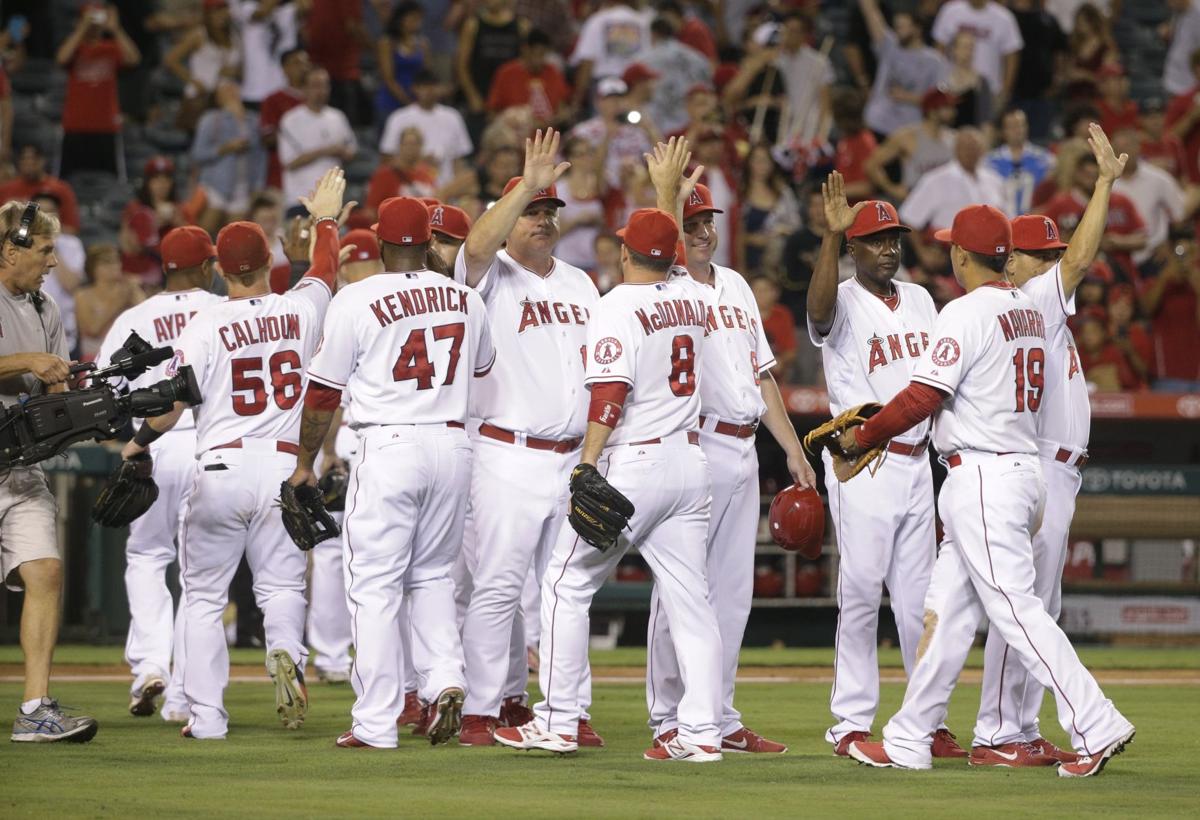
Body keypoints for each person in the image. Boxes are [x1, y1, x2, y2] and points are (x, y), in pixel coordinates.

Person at [842, 202, 1136, 777]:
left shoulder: (965, 312)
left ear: (959, 254)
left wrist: (866, 435)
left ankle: (1096, 723)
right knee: (946, 611)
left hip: (985, 475)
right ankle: (908, 737)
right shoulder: (1025, 308)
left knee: (1017, 612)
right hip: (1018, 473)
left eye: (952, 245)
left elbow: (923, 397)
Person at [120, 168, 346, 740]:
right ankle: (285, 650)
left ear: (220, 270)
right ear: (269, 258)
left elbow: (171, 406)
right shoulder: (300, 310)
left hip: (220, 464)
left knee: (200, 598)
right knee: (282, 589)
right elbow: (324, 269)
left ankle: (207, 717)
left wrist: (139, 442)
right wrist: (326, 220)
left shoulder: (203, 324)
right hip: (283, 465)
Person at [493, 209, 715, 765]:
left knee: (565, 584)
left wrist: (586, 464)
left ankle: (559, 721)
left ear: (625, 253)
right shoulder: (693, 299)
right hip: (690, 461)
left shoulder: (617, 304)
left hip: (634, 461)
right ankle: (704, 732)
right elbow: (678, 271)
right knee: (692, 603)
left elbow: (611, 391)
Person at [288, 197, 493, 748]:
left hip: (389, 442)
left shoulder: (357, 297)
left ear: (379, 243)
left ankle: (376, 722)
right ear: (428, 242)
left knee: (375, 585)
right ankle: (445, 678)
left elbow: (324, 393)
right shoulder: (466, 298)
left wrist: (305, 461)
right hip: (452, 445)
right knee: (431, 577)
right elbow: (483, 367)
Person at [643, 140, 814, 757]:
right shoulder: (666, 283)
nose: (702, 233)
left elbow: (763, 375)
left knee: (733, 594)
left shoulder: (738, 285)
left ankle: (718, 712)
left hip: (744, 451)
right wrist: (666, 200)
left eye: (707, 221)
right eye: (689, 225)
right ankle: (669, 715)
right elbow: (660, 260)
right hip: (695, 445)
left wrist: (792, 450)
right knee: (682, 590)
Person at [969, 125, 1127, 766]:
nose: (1059, 260)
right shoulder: (1033, 295)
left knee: (1038, 605)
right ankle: (1000, 730)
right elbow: (1084, 260)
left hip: (1053, 471)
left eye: (1054, 252)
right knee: (1025, 605)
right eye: (1047, 253)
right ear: (1015, 261)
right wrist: (1104, 184)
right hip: (1036, 468)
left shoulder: (1039, 305)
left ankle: (1017, 725)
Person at [454, 130, 602, 747]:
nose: (542, 221)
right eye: (532, 212)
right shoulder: (488, 276)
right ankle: (484, 708)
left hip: (571, 458)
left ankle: (565, 710)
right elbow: (474, 246)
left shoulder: (580, 283)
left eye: (549, 212)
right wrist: (525, 184)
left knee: (567, 592)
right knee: (497, 585)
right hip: (507, 453)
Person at [806, 172, 962, 759]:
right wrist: (829, 237)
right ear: (853, 248)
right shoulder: (841, 296)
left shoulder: (922, 299)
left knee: (918, 599)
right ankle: (849, 722)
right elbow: (817, 311)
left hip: (919, 463)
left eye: (893, 237)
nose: (889, 247)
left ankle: (925, 720)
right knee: (863, 592)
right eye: (874, 239)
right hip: (862, 461)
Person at [96, 226, 222, 722]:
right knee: (200, 577)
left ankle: (151, 663)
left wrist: (125, 439)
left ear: (166, 267)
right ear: (208, 266)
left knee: (148, 555)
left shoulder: (136, 316)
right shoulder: (220, 309)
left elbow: (108, 391)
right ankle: (185, 696)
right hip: (211, 444)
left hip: (154, 443)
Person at [0, 201, 98, 743]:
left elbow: (54, 389)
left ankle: (35, 709)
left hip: (20, 467)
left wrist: (82, 406)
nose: (53, 262)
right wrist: (27, 363)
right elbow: (32, 367)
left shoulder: (44, 308)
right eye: (43, 250)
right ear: (10, 249)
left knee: (46, 573)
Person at [302, 229, 380, 687]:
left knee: (331, 555)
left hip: (345, 438)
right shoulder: (393, 297)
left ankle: (331, 656)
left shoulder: (340, 306)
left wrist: (327, 452)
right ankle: (375, 660)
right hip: (382, 439)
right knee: (388, 559)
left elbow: (327, 392)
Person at [55, 3, 141, 178]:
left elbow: (134, 59)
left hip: (106, 127)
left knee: (110, 179)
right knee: (68, 179)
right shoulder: (76, 48)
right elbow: (61, 58)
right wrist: (82, 29)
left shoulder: (110, 47)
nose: (94, 23)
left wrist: (116, 29)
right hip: (75, 125)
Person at [1040, 152, 1147, 282]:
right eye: (1086, 174)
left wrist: (1117, 242)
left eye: (1095, 175)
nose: (1090, 180)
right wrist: (1071, 242)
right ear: (1077, 174)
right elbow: (1042, 241)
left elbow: (1143, 238)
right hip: (1075, 276)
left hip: (1119, 275)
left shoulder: (1121, 201)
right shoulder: (1060, 204)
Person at [858, 0, 948, 138]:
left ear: (917, 29)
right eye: (896, 27)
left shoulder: (935, 61)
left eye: (902, 27)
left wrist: (910, 97)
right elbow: (870, 12)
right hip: (876, 123)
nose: (898, 31)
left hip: (909, 132)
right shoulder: (889, 45)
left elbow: (939, 101)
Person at [278, 68, 356, 211]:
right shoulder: (291, 120)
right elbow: (289, 162)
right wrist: (326, 151)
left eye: (325, 85)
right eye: (315, 86)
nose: (321, 91)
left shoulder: (337, 117)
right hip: (300, 198)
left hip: (332, 201)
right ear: (303, 89)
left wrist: (342, 152)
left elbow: (351, 151)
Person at [192, 80, 265, 233]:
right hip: (215, 185)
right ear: (218, 98)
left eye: (234, 89)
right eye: (226, 91)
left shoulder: (253, 120)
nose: (231, 93)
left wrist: (258, 185)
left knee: (236, 237)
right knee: (205, 233)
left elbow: (260, 155)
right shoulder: (211, 119)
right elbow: (198, 154)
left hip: (243, 187)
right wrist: (225, 148)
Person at [379, 70, 473, 186]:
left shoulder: (453, 117)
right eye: (424, 87)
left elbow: (459, 160)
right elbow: (387, 159)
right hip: (408, 186)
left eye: (433, 86)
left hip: (445, 187)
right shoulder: (399, 118)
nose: (429, 91)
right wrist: (418, 162)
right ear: (414, 89)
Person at [865, 89, 957, 203]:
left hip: (944, 204)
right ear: (932, 111)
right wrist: (892, 189)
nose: (953, 112)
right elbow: (872, 165)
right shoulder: (907, 136)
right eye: (947, 107)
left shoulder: (953, 138)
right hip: (916, 204)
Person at [931, 0, 1023, 113]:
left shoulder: (1004, 17)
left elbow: (1011, 57)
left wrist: (1004, 93)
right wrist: (938, 82)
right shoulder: (950, 10)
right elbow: (939, 49)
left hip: (989, 90)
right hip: (951, 88)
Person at [163, 0, 241, 131]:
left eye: (223, 10)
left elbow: (238, 67)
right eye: (215, 11)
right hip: (202, 98)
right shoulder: (199, 35)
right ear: (207, 15)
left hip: (226, 97)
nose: (220, 15)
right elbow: (170, 60)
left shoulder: (234, 35)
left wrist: (233, 72)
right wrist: (192, 80)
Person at [570, 78, 654, 191]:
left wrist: (649, 126)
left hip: (634, 191)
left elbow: (660, 159)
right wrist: (607, 137)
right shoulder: (583, 131)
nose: (616, 103)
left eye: (620, 98)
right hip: (598, 192)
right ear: (597, 102)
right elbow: (572, 166)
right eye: (610, 99)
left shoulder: (637, 130)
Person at [569, 0, 649, 112]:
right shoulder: (642, 21)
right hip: (633, 86)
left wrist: (577, 100)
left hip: (604, 85)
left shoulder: (598, 20)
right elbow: (647, 60)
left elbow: (588, 60)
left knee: (603, 126)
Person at [641, 15, 713, 137]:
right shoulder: (697, 57)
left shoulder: (643, 60)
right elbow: (708, 82)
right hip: (692, 119)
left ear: (653, 34)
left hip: (660, 122)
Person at [457, 0, 527, 124]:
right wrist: (472, 95)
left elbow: (526, 64)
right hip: (481, 95)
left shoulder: (521, 25)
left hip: (510, 99)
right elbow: (462, 65)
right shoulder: (473, 24)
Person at [121, 156, 183, 290]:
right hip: (141, 273)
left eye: (166, 179)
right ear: (148, 182)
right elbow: (130, 248)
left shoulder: (180, 209)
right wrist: (153, 224)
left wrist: (178, 223)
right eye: (156, 179)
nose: (162, 184)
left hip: (173, 274)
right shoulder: (134, 209)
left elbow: (194, 246)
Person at [487, 30, 571, 128]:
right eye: (536, 53)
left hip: (548, 137)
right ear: (525, 49)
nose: (539, 60)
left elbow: (562, 107)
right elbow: (492, 113)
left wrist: (562, 116)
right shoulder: (506, 73)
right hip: (516, 136)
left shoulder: (552, 72)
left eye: (543, 55)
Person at [76, 243, 146, 360]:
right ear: (93, 268)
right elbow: (92, 330)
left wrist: (135, 289)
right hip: (95, 355)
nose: (114, 266)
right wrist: (118, 304)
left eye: (116, 261)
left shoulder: (129, 289)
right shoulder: (82, 295)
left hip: (127, 353)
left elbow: (145, 314)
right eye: (107, 263)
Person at [737, 144, 799, 272]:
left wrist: (779, 232)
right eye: (757, 159)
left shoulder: (783, 193)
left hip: (775, 262)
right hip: (743, 259)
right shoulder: (738, 192)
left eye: (765, 160)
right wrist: (751, 238)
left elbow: (796, 226)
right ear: (749, 163)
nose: (761, 164)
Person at [304, 0, 367, 124]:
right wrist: (372, 47)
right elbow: (353, 27)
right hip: (341, 71)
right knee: (341, 123)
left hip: (328, 70)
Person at [228, 0, 298, 109]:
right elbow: (261, 13)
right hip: (254, 92)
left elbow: (306, 6)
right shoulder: (247, 7)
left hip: (282, 90)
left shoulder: (288, 10)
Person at [986, 108, 1055, 217]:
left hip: (1035, 221)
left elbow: (1054, 195)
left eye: (1021, 125)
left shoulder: (1045, 160)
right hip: (1003, 223)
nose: (1018, 130)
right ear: (1003, 131)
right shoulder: (989, 163)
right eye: (1012, 127)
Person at [259, 48, 310, 191]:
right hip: (282, 175)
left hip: (314, 175)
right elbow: (267, 138)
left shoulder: (318, 100)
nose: (303, 68)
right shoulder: (273, 100)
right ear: (285, 68)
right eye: (297, 63)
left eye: (306, 63)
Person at [0, 144, 81, 234]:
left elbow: (72, 228)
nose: (29, 163)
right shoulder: (4, 190)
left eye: (34, 159)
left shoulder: (61, 189)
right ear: (18, 162)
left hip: (52, 240)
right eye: (24, 159)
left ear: (43, 160)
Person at [374, 2, 428, 123]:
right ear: (400, 19)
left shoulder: (423, 44)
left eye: (419, 19)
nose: (417, 22)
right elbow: (388, 78)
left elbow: (426, 74)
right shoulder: (387, 43)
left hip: (416, 101)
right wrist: (407, 101)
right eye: (413, 18)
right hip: (390, 103)